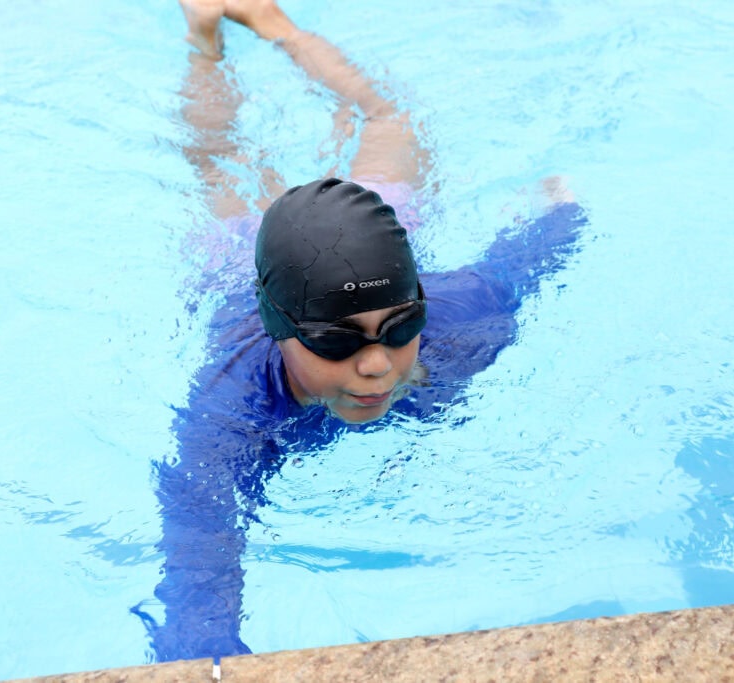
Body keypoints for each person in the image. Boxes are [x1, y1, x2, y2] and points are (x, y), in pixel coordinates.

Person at [136, 0, 588, 661]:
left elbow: (525, 261)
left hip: (379, 229)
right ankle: (203, 38)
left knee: (388, 116)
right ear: (280, 330)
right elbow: (198, 576)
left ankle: (276, 26)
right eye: (336, 341)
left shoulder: (459, 318)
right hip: (241, 257)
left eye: (400, 327)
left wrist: (561, 213)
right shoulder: (228, 413)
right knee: (219, 158)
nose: (376, 365)